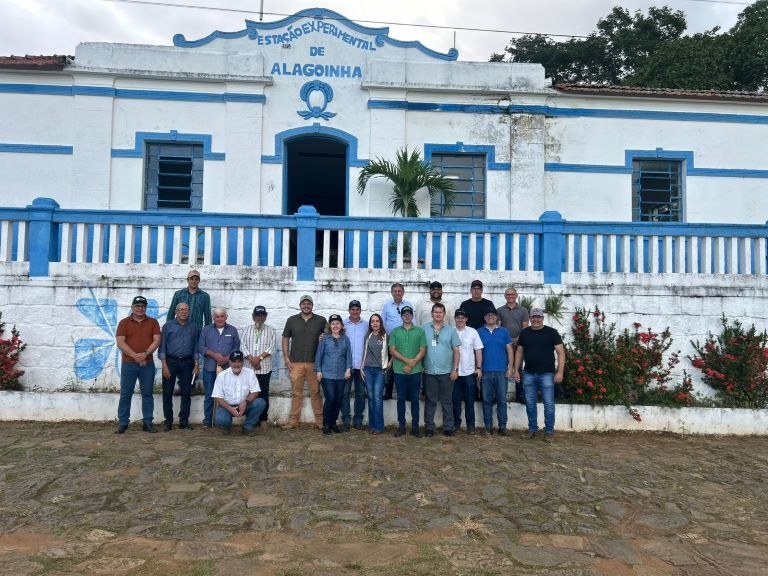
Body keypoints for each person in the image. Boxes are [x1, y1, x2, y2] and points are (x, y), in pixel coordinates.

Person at [514, 308, 565, 444]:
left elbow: (561, 352)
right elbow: (519, 351)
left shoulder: (552, 333)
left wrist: (560, 372)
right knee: (530, 403)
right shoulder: (524, 333)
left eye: (538, 317)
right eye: (533, 317)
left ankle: (549, 431)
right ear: (530, 319)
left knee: (549, 404)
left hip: (547, 374)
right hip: (529, 373)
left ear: (543, 318)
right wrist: (516, 369)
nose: (536, 320)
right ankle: (532, 429)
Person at [115, 295, 161, 434]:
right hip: (129, 364)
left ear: (145, 307)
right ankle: (123, 423)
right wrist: (135, 356)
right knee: (125, 394)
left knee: (147, 393)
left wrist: (144, 354)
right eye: (137, 306)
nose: (140, 308)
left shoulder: (153, 322)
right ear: (132, 307)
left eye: (142, 306)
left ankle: (147, 422)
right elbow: (120, 342)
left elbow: (157, 340)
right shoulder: (124, 323)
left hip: (147, 364)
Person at [282, 294, 327, 429]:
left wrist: (324, 337)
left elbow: (329, 336)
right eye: (304, 303)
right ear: (300, 305)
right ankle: (293, 421)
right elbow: (285, 338)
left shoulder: (321, 320)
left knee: (315, 392)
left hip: (314, 363)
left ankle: (320, 420)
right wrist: (286, 358)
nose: (306, 306)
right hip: (295, 363)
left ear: (312, 305)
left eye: (308, 304)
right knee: (296, 393)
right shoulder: (291, 320)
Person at [158, 302, 199, 431]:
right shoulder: (168, 326)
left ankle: (184, 421)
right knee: (167, 392)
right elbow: (162, 346)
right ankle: (168, 421)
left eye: (186, 310)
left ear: (189, 311)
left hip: (187, 363)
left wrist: (196, 365)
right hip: (170, 362)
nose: (183, 312)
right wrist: (164, 365)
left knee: (186, 393)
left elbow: (196, 348)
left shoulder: (194, 327)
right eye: (181, 309)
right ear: (176, 311)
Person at [422, 303, 460, 437]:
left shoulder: (451, 330)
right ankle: (429, 427)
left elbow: (456, 350)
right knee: (430, 400)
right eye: (436, 312)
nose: (438, 314)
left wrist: (455, 369)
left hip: (447, 372)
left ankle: (448, 427)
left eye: (440, 312)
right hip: (429, 371)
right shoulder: (424, 329)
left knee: (447, 400)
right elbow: (421, 348)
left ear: (444, 314)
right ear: (432, 314)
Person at [198, 307, 240, 428]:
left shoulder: (232, 330)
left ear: (226, 317)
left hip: (228, 369)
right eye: (217, 316)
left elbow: (236, 347)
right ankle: (207, 421)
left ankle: (224, 421)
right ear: (213, 318)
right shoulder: (206, 330)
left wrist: (227, 358)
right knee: (210, 394)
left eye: (222, 316)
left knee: (227, 394)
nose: (220, 318)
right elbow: (201, 347)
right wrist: (214, 354)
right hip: (210, 368)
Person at [388, 306, 426, 437]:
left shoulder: (420, 331)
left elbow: (423, 350)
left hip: (415, 371)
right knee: (401, 399)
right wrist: (407, 361)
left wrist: (413, 363)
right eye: (404, 314)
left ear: (412, 316)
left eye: (409, 314)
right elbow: (392, 350)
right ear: (401, 316)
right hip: (399, 371)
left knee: (415, 399)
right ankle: (401, 426)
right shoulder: (395, 331)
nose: (407, 316)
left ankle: (415, 427)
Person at [211, 350, 266, 436]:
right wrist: (230, 408)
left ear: (243, 362)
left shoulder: (250, 373)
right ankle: (225, 427)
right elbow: (217, 397)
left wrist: (246, 402)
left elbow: (255, 392)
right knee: (221, 418)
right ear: (229, 362)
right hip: (227, 407)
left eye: (240, 361)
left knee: (260, 402)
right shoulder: (222, 376)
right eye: (234, 361)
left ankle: (247, 427)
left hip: (244, 405)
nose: (237, 364)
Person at [477, 309, 514, 435]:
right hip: (485, 371)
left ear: (496, 317)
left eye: (492, 315)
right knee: (486, 400)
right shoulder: (479, 332)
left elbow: (510, 350)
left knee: (502, 400)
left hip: (501, 371)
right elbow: (476, 351)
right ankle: (488, 427)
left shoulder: (504, 331)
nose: (490, 317)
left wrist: (510, 368)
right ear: (484, 317)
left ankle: (502, 427)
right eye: (488, 315)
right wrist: (478, 368)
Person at [315, 314, 353, 434]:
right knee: (330, 398)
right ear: (329, 326)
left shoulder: (345, 339)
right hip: (327, 374)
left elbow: (348, 356)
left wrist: (348, 369)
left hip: (341, 375)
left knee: (338, 398)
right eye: (333, 324)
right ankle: (326, 424)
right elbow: (319, 355)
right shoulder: (324, 339)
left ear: (341, 325)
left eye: (337, 323)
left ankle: (333, 423)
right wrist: (319, 370)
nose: (335, 326)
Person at [240, 305, 276, 426]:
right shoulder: (246, 329)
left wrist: (259, 359)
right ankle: (251, 418)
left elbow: (272, 347)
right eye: (257, 315)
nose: (260, 318)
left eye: (262, 315)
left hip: (264, 368)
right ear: (253, 316)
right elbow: (242, 346)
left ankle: (263, 419)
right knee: (249, 393)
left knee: (263, 393)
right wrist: (252, 359)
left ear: (265, 317)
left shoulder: (271, 330)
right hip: (249, 368)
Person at [497, 287, 530, 403]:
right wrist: (507, 341)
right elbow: (499, 328)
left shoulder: (523, 310)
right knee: (502, 368)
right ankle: (500, 395)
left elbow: (525, 328)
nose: (510, 296)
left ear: (516, 295)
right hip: (504, 345)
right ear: (505, 296)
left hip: (519, 344)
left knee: (519, 369)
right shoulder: (499, 310)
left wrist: (517, 341)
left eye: (512, 294)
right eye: (508, 294)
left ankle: (520, 395)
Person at [452, 309, 483, 434]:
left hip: (469, 372)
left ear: (466, 319)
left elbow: (478, 351)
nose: (460, 320)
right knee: (455, 400)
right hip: (454, 372)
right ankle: (456, 424)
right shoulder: (450, 331)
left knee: (470, 400)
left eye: (462, 317)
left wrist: (479, 368)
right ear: (454, 318)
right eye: (458, 317)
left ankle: (471, 425)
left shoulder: (473, 332)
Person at [381, 283, 413, 400]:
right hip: (391, 340)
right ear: (392, 293)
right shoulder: (387, 306)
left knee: (406, 364)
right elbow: (382, 323)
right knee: (390, 366)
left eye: (400, 291)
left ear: (403, 292)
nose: (397, 293)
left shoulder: (408, 305)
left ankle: (408, 394)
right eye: (395, 291)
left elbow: (412, 320)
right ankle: (388, 392)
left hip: (406, 339)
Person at [361, 313, 389, 434]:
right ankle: (372, 425)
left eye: (377, 321)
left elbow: (393, 351)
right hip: (367, 369)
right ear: (370, 324)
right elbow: (365, 352)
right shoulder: (368, 336)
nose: (375, 323)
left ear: (380, 323)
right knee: (371, 397)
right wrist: (362, 367)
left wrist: (389, 364)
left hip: (379, 370)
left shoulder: (386, 336)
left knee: (377, 397)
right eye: (373, 321)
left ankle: (378, 426)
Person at [343, 300, 367, 431]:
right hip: (346, 366)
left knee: (361, 393)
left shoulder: (366, 325)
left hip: (361, 366)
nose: (355, 311)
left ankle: (358, 420)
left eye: (357, 309)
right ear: (349, 311)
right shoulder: (343, 325)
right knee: (344, 393)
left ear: (360, 311)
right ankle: (346, 420)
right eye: (352, 309)